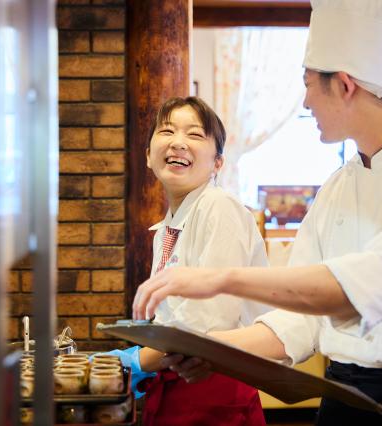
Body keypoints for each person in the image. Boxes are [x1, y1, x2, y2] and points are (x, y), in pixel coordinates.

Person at [132, 1, 382, 425]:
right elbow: (298, 321)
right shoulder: (339, 185)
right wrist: (215, 353)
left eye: (308, 83)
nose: (304, 100)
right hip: (341, 395)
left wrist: (219, 278)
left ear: (344, 85)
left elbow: (358, 287)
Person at [108, 96, 269, 426]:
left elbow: (209, 327)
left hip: (214, 387)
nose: (178, 142)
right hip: (174, 379)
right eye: (166, 131)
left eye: (195, 135)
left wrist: (135, 361)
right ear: (148, 156)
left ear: (217, 163)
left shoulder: (220, 208)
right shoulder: (165, 229)